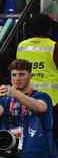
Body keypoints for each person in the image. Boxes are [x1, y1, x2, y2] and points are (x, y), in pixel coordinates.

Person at [0, 59, 56, 158]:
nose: (17, 78)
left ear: (30, 76)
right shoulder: (6, 100)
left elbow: (39, 108)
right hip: (13, 154)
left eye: (22, 74)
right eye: (14, 75)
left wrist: (15, 93)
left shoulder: (41, 96)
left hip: (40, 155)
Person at [17, 14, 58, 143]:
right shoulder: (54, 46)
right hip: (53, 102)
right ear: (49, 29)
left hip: (26, 100)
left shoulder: (22, 46)